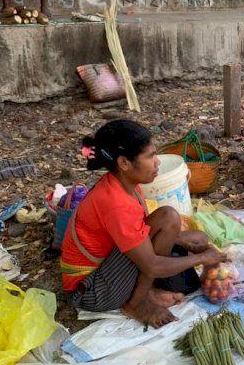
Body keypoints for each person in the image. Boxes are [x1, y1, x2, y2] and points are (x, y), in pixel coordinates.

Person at [60, 120, 227, 328]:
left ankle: (145, 291)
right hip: (91, 290)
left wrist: (185, 243)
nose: (157, 163)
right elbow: (153, 265)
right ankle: (136, 303)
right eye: (150, 156)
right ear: (124, 163)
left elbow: (143, 231)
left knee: (190, 234)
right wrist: (203, 257)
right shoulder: (116, 203)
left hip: (108, 266)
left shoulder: (125, 184)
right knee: (169, 219)